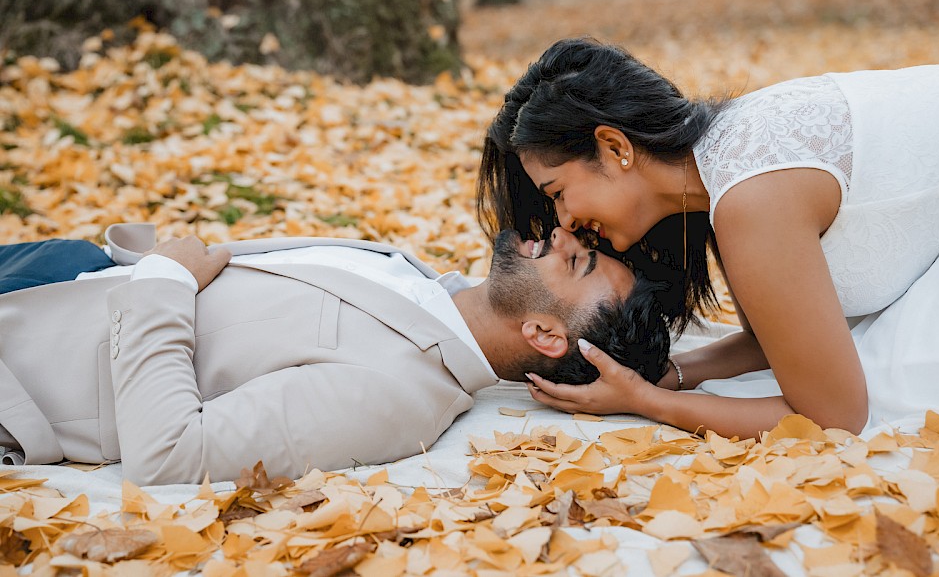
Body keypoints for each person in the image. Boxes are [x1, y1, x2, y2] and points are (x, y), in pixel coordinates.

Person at [478, 37, 939, 443]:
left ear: (614, 148)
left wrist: (647, 402)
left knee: (905, 381)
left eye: (559, 192)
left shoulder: (750, 200)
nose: (564, 222)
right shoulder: (717, 171)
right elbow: (774, 340)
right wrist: (672, 375)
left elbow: (837, 417)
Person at [0, 223, 673, 485]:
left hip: (24, 365)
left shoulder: (395, 395)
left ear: (546, 337)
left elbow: (170, 451)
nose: (557, 233)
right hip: (63, 269)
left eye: (574, 260)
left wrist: (165, 282)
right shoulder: (423, 279)